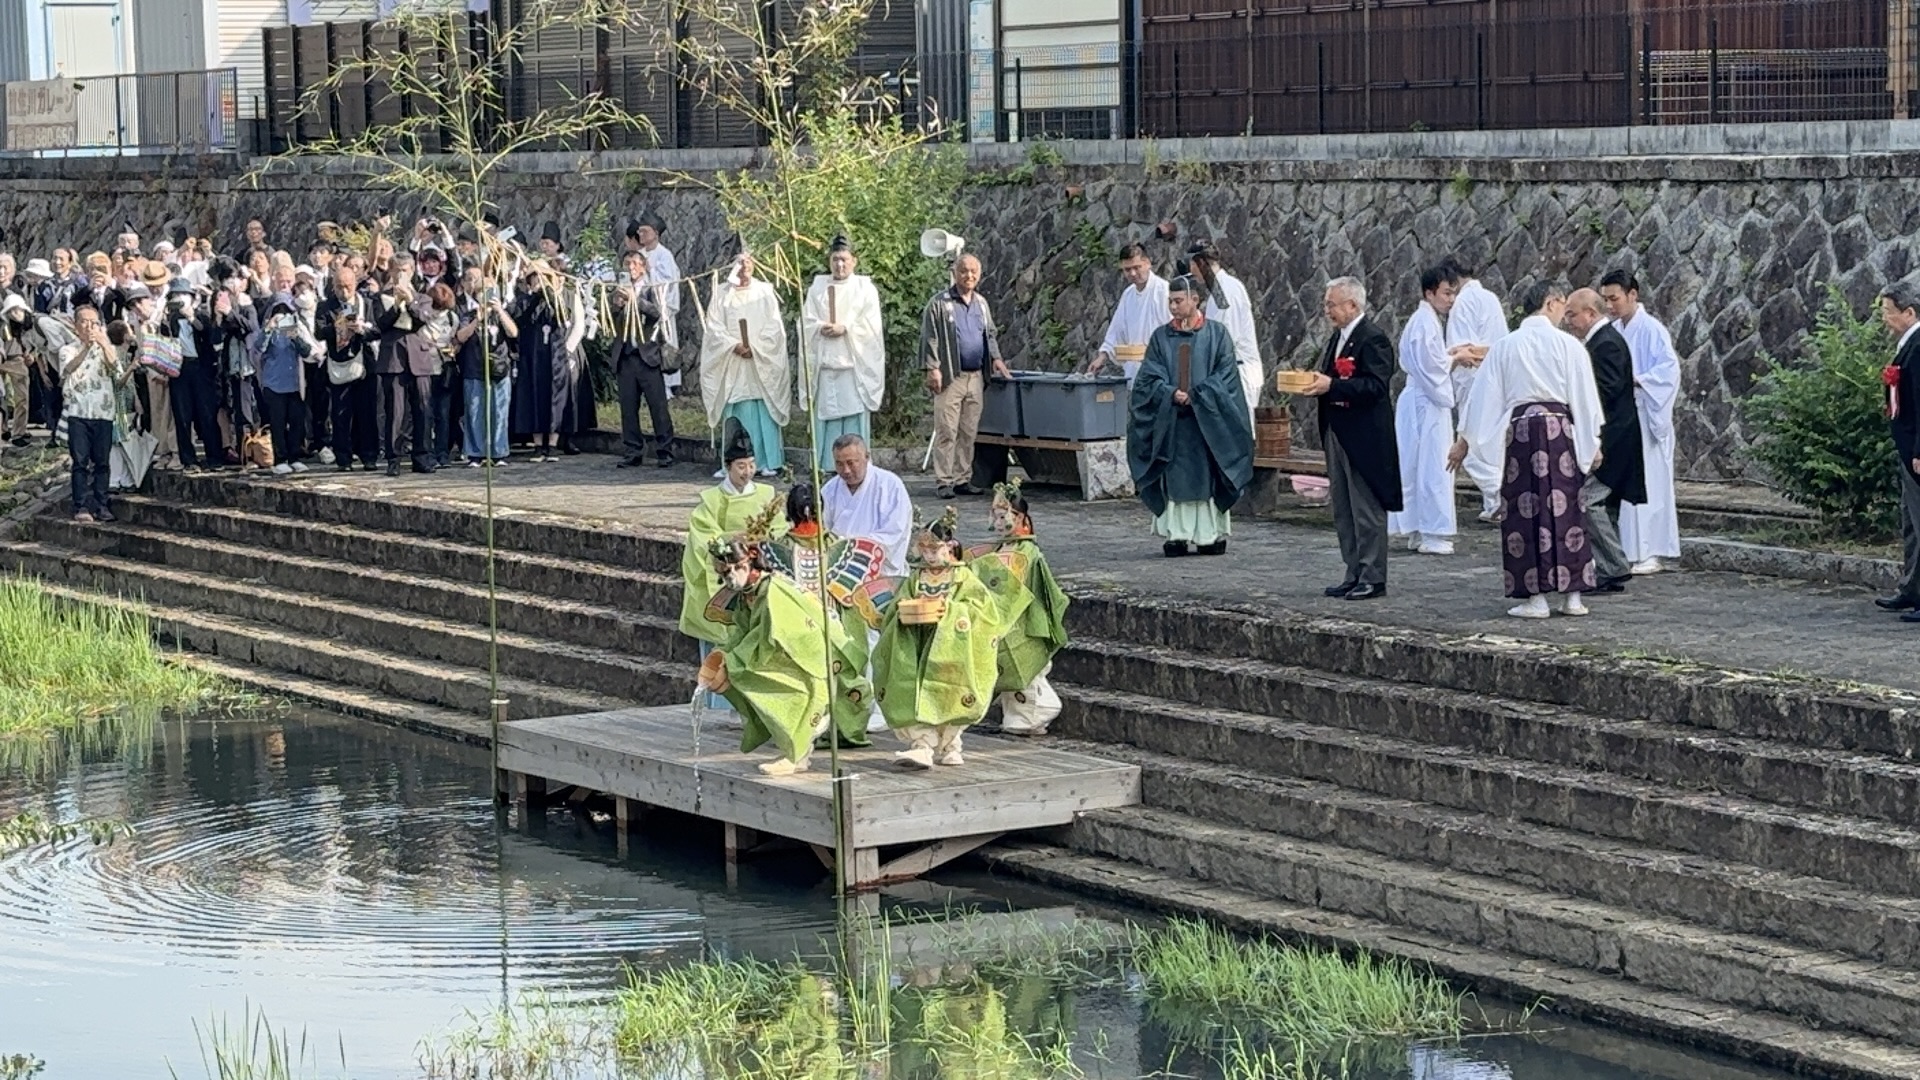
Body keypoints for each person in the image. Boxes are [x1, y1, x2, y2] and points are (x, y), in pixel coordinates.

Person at [1449, 282, 1604, 619]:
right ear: (1550, 303)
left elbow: (1483, 398)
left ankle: (1536, 598)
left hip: (1522, 432)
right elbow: (1585, 398)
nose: (1565, 310)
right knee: (1568, 511)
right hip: (1560, 429)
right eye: (1562, 302)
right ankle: (1573, 595)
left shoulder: (1507, 346)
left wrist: (1464, 440)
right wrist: (1592, 442)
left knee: (1526, 509)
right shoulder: (1569, 345)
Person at [696, 527, 873, 777]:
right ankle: (796, 754)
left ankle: (796, 754)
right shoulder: (748, 593)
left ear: (750, 561)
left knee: (780, 690)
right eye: (724, 574)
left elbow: (769, 634)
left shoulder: (775, 590)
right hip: (784, 655)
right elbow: (743, 631)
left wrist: (734, 658)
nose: (730, 577)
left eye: (734, 569)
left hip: (806, 657)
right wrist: (724, 652)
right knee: (746, 680)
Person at [874, 509, 1013, 769]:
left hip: (953, 646)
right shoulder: (917, 577)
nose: (928, 555)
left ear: (948, 547)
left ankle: (951, 744)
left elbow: (982, 612)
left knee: (952, 692)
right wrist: (905, 609)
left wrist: (950, 611)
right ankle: (922, 745)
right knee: (912, 690)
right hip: (917, 641)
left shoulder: (962, 577)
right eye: (923, 549)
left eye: (933, 549)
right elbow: (897, 605)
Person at [1128, 271, 1253, 557]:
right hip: (1172, 423)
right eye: (1170, 301)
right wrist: (1170, 392)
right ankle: (1177, 534)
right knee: (1174, 477)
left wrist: (1199, 394)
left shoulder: (1217, 335)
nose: (1173, 307)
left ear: (1195, 300)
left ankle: (1209, 535)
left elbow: (1226, 375)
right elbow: (1149, 377)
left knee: (1207, 475)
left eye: (1178, 301)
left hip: (1207, 424)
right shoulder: (1161, 337)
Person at [761, 480, 889, 749]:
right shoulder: (837, 545)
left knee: (804, 675)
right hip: (832, 620)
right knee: (838, 674)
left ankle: (804, 730)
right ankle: (841, 729)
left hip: (800, 621)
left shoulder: (776, 548)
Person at [1299, 277, 1400, 600]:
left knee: (1365, 507)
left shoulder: (1373, 339)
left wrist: (1333, 386)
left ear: (1352, 305)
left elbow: (1375, 386)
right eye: (1327, 304)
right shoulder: (1338, 338)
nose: (1327, 310)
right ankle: (1353, 569)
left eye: (1332, 304)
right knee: (1343, 506)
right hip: (1337, 429)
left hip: (1364, 434)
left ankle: (1373, 574)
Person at [679, 424, 783, 711]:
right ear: (728, 467)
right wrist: (731, 541)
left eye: (751, 465)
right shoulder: (712, 500)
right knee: (720, 644)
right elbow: (703, 538)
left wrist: (763, 541)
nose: (747, 471)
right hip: (725, 575)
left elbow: (779, 529)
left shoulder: (766, 493)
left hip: (755, 575)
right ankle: (717, 704)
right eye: (741, 466)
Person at [969, 481, 1069, 736]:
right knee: (1008, 672)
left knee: (1027, 671)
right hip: (1002, 614)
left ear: (1020, 517)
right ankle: (1022, 718)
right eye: (995, 516)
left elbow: (1024, 588)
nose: (998, 522)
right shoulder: (1002, 548)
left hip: (1022, 616)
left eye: (1003, 516)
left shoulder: (1027, 551)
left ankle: (1040, 710)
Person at [1600, 269, 1681, 575]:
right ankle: (1630, 548)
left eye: (1614, 298)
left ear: (1632, 295)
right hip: (1625, 416)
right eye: (1606, 299)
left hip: (1646, 411)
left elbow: (1669, 372)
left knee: (1650, 483)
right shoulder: (1616, 329)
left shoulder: (1652, 329)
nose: (1610, 305)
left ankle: (1651, 550)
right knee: (1629, 483)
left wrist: (1639, 381)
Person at [1564, 288, 1646, 594]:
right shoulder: (1602, 341)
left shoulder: (1606, 344)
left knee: (1588, 500)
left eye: (1573, 314)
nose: (1569, 320)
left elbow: (1606, 393)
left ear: (1590, 313)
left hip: (1613, 439)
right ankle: (1608, 569)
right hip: (1613, 437)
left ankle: (1614, 565)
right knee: (1605, 505)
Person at [920, 252, 1010, 500]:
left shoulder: (981, 303)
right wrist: (933, 368)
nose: (969, 275)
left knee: (969, 430)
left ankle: (962, 478)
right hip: (951, 375)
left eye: (973, 271)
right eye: (964, 271)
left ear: (979, 275)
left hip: (975, 376)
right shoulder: (939, 303)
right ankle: (944, 480)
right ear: (955, 273)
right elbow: (930, 338)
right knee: (947, 429)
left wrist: (997, 359)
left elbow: (989, 334)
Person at [1387, 265, 1460, 556]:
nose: (1451, 299)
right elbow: (1434, 367)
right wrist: (1456, 358)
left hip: (1421, 398)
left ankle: (1418, 526)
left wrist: (1452, 356)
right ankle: (1433, 530)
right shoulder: (1424, 322)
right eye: (1446, 293)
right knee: (1432, 464)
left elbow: (1433, 362)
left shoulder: (1426, 321)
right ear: (1429, 293)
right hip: (1425, 400)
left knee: (1418, 463)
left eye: (1453, 293)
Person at [699, 253, 789, 475]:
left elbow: (774, 326)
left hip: (759, 361)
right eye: (739, 262)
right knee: (734, 408)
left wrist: (755, 348)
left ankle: (767, 462)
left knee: (762, 406)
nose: (743, 267)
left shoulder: (764, 292)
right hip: (732, 361)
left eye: (748, 262)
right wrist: (733, 346)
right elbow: (714, 328)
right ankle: (731, 463)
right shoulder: (722, 294)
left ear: (754, 265)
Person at [800, 235, 885, 468]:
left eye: (844, 259)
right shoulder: (817, 287)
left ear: (854, 261)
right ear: (829, 261)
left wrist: (845, 328)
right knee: (826, 420)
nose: (839, 265)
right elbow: (805, 321)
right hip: (827, 369)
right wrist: (820, 327)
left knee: (854, 419)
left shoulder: (865, 289)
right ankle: (827, 465)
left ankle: (858, 464)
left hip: (853, 369)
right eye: (835, 259)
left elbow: (872, 327)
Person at [1443, 258, 1511, 522]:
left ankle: (1497, 497)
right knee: (1492, 442)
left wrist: (1449, 356)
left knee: (1470, 441)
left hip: (1473, 377)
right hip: (1497, 375)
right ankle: (1493, 501)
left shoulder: (1463, 303)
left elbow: (1463, 348)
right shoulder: (1490, 297)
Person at [60, 305, 131, 521]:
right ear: (76, 325)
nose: (89, 326)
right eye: (84, 321)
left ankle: (102, 504)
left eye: (94, 322)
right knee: (80, 462)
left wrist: (102, 343)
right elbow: (68, 369)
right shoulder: (68, 349)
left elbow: (116, 369)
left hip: (103, 412)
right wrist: (86, 347)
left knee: (102, 462)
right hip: (78, 412)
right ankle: (80, 505)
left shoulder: (106, 348)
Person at [1876, 282, 1920, 621]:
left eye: (1888, 312)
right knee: (1910, 522)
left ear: (1909, 312)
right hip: (1906, 445)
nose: (1885, 319)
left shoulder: (1918, 347)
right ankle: (1911, 588)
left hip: (1915, 448)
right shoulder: (1909, 345)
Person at [607, 248, 674, 467]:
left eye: (635, 264)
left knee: (658, 406)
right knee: (628, 408)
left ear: (643, 267)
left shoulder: (650, 289)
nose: (631, 268)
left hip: (647, 355)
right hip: (625, 357)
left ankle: (665, 450)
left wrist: (636, 301)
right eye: (627, 264)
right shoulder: (617, 292)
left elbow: (658, 313)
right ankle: (632, 450)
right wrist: (616, 304)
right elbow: (607, 318)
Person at [1185, 239, 1262, 428]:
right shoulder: (1219, 290)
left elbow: (1225, 338)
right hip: (1226, 371)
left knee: (1236, 434)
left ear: (1201, 263)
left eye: (1192, 264)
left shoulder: (1225, 291)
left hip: (1237, 371)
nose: (1191, 271)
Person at [820, 434, 914, 578]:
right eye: (839, 464)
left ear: (867, 457)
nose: (845, 470)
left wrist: (849, 546)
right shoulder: (829, 489)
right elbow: (822, 531)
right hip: (837, 569)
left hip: (880, 572)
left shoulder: (890, 485)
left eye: (851, 463)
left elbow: (894, 535)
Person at [453, 267, 517, 467]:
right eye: (482, 293)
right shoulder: (469, 314)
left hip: (499, 369)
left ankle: (498, 452)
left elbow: (513, 332)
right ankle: (475, 453)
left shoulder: (501, 314)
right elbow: (461, 337)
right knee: (475, 411)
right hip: (475, 369)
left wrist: (499, 310)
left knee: (499, 412)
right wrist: (477, 320)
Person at [318, 263, 379, 471]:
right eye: (339, 287)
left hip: (364, 363)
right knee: (340, 413)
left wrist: (362, 329)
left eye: (348, 286)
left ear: (355, 284)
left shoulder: (367, 303)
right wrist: (338, 326)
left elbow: (377, 330)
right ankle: (343, 458)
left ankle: (369, 456)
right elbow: (318, 331)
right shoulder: (325, 306)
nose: (344, 292)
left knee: (367, 412)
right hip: (339, 363)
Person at [158, 277, 223, 471]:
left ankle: (214, 457)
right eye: (175, 296)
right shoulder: (169, 319)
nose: (179, 299)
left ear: (191, 298)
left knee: (207, 413)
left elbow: (209, 335)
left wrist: (191, 317)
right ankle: (189, 459)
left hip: (201, 368)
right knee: (182, 414)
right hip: (180, 369)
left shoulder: (201, 316)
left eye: (183, 295)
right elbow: (164, 339)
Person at [251, 292, 317, 475]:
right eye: (278, 310)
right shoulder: (268, 330)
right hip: (273, 384)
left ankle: (294, 456)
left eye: (286, 310)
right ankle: (280, 458)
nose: (282, 314)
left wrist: (294, 336)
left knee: (296, 422)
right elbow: (258, 349)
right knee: (278, 423)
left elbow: (306, 351)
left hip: (295, 384)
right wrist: (269, 328)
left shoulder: (294, 329)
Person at [1089, 242, 1169, 384]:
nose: (1132, 273)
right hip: (1133, 372)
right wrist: (1102, 357)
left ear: (1147, 263)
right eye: (1127, 269)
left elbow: (1174, 331)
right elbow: (1116, 331)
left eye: (1137, 267)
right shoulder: (1128, 294)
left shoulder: (1163, 291)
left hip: (1160, 370)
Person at [625, 212, 682, 397]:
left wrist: (651, 270)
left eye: (645, 231)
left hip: (660, 307)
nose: (641, 235)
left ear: (655, 233)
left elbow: (670, 281)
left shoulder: (665, 255)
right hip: (640, 306)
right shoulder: (638, 254)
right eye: (639, 232)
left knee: (661, 344)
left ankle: (667, 386)